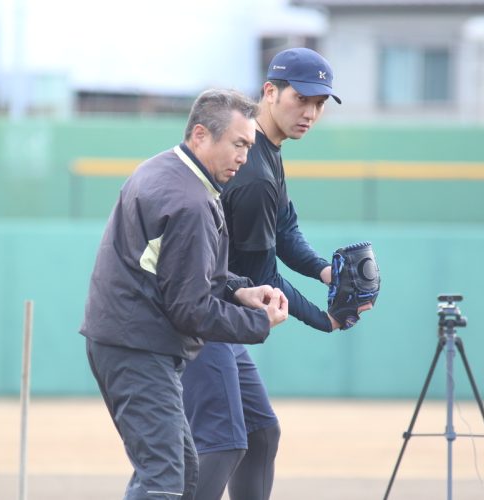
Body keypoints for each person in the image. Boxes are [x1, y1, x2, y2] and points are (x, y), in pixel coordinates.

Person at [181, 48, 373, 500]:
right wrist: (323, 318)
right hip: (201, 312)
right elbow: (262, 272)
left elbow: (284, 229)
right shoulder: (254, 175)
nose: (310, 112)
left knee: (261, 433)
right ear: (270, 92)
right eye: (301, 98)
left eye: (320, 104)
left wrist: (326, 273)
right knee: (225, 442)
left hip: (222, 310)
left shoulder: (268, 152)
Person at [80, 88, 290, 500]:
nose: (244, 157)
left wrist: (239, 291)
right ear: (200, 135)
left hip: (130, 339)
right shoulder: (189, 199)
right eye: (238, 144)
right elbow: (191, 311)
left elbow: (182, 273)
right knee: (165, 478)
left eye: (249, 146)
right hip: (137, 346)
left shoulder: (168, 171)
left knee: (181, 471)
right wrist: (258, 321)